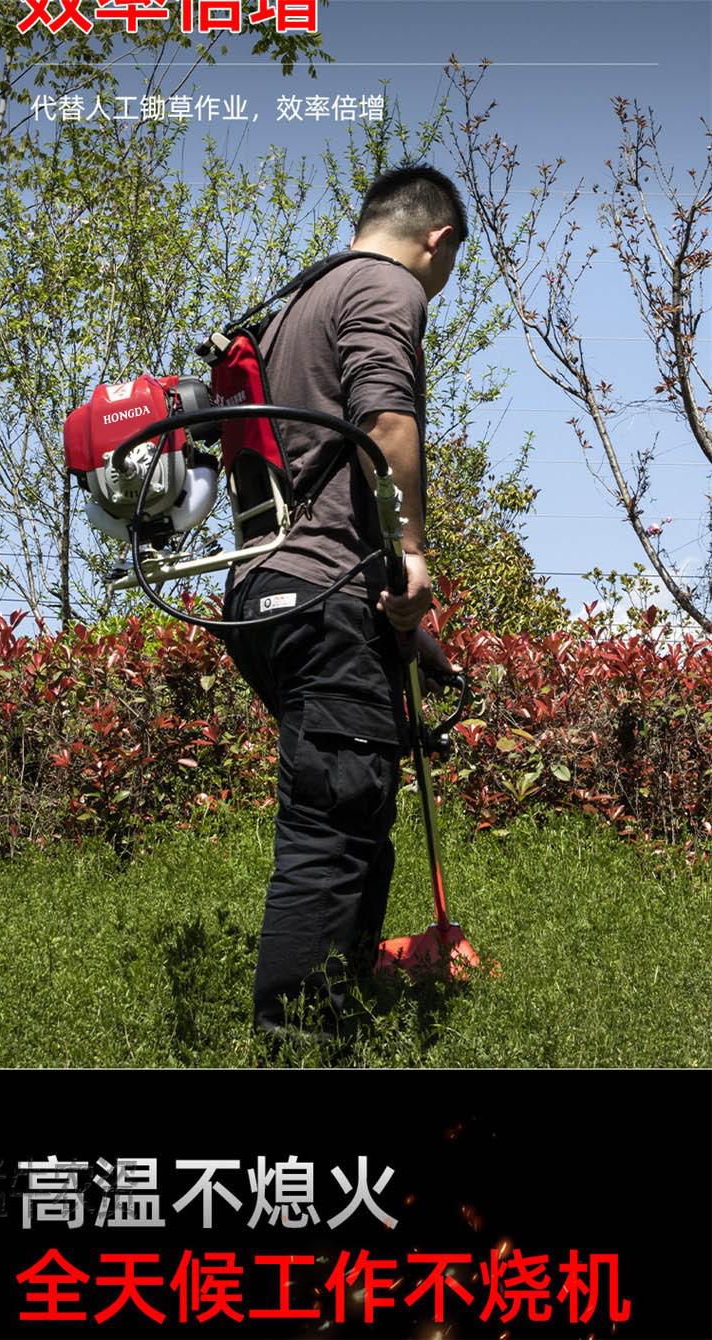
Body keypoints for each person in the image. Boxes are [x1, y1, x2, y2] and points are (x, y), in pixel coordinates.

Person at [221, 163, 468, 1040]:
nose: (434, 287)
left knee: (357, 805)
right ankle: (297, 1051)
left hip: (269, 592)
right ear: (436, 241)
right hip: (318, 590)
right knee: (333, 824)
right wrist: (413, 550)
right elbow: (386, 421)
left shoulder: (295, 302)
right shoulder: (383, 284)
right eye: (445, 269)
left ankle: (349, 1014)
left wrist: (413, 629)